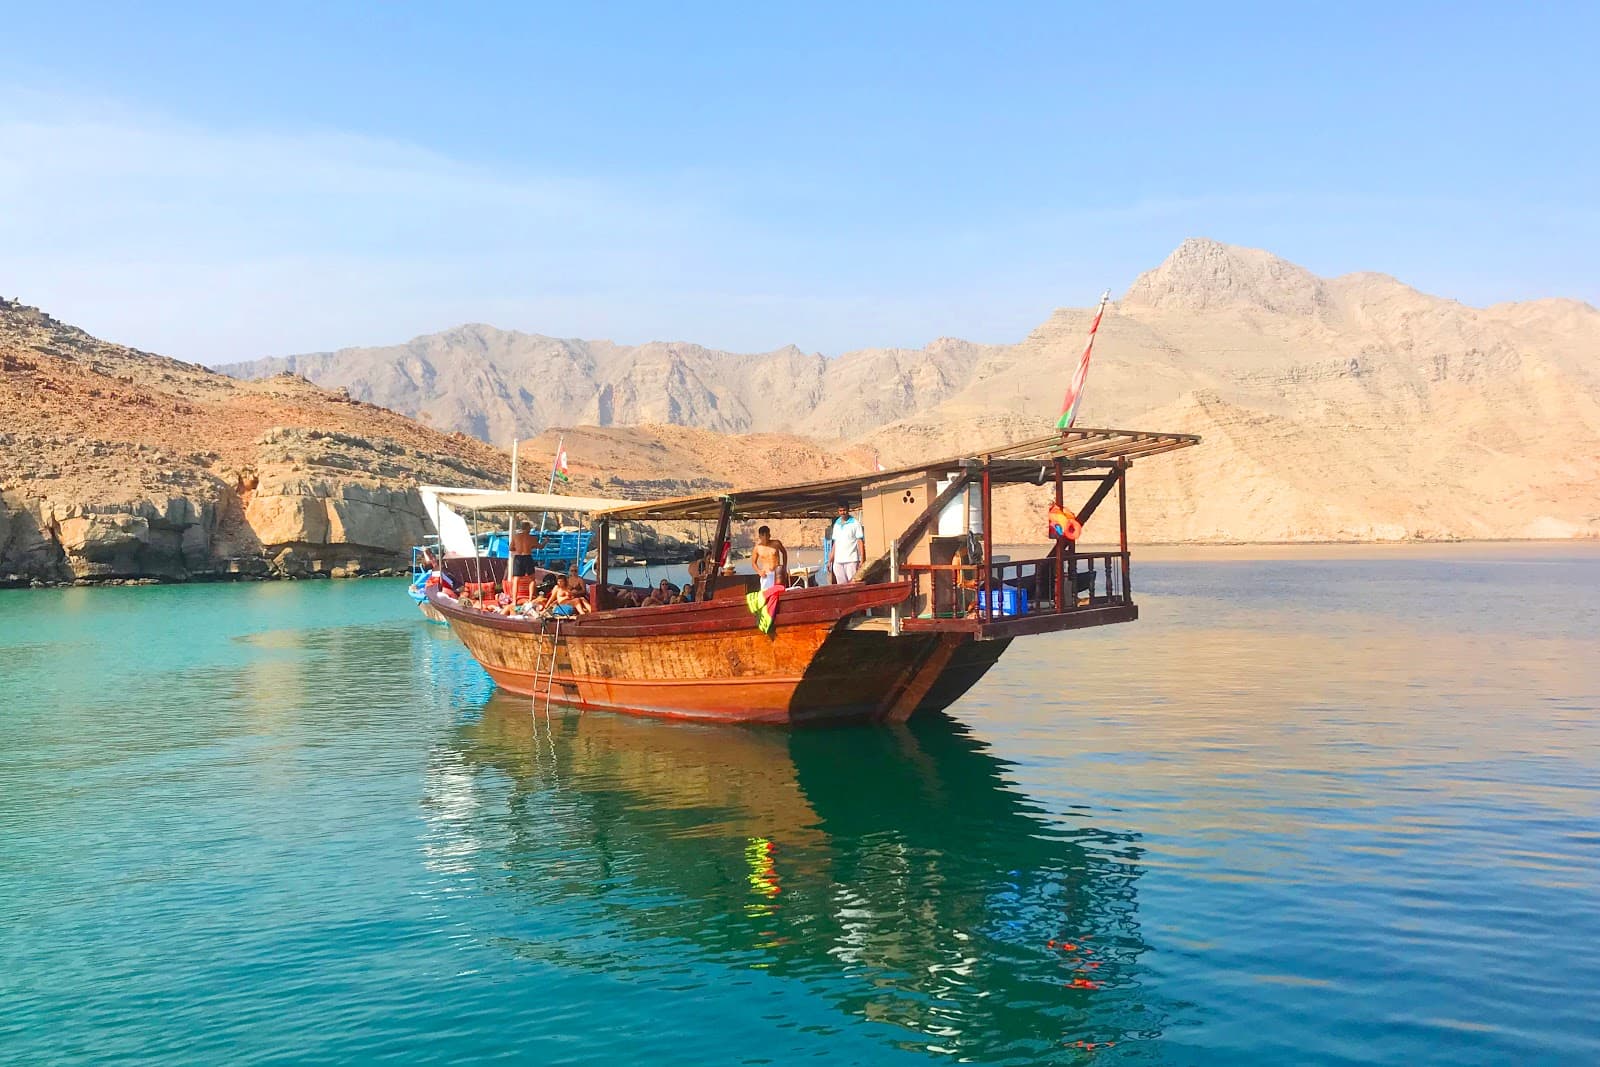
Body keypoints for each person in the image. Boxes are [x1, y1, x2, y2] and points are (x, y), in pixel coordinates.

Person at [824, 501, 865, 584]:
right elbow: (835, 543)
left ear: (848, 510)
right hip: (838, 561)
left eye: (844, 510)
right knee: (841, 586)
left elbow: (860, 542)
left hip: (851, 560)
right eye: (840, 511)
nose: (842, 512)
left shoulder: (855, 523)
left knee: (853, 583)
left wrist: (862, 559)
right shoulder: (837, 524)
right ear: (838, 511)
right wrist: (830, 561)